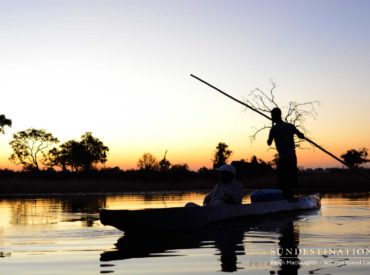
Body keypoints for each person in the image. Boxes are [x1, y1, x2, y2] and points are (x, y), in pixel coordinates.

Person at [267, 107, 305, 200]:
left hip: (284, 158)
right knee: (290, 181)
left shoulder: (274, 129)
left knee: (283, 182)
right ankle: (289, 197)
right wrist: (301, 135)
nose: (271, 117)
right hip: (292, 157)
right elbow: (301, 136)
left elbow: (269, 142)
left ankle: (287, 199)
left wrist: (272, 129)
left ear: (275, 116)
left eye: (272, 116)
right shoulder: (290, 126)